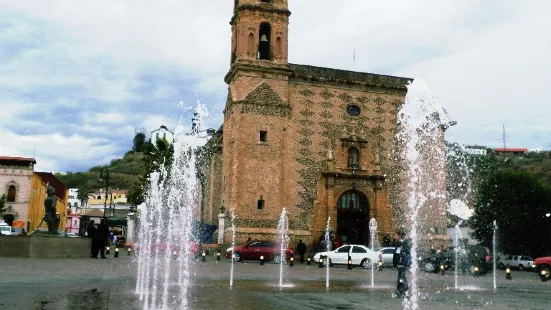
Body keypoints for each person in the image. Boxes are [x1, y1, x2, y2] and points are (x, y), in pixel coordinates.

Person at [392, 228, 411, 298]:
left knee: (402, 278)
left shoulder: (403, 243)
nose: (394, 236)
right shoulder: (398, 243)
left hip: (402, 264)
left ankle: (404, 293)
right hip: (399, 264)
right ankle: (400, 292)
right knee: (400, 278)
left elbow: (404, 254)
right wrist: (394, 264)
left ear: (400, 235)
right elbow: (396, 254)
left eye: (395, 235)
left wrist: (403, 262)